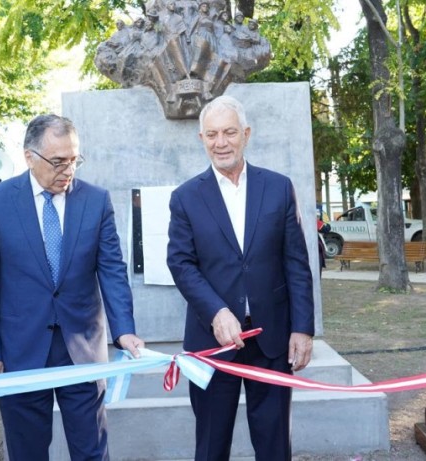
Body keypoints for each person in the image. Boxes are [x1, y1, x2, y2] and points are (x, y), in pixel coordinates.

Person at [0, 114, 145, 460]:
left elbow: (112, 271)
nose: (68, 170)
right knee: (27, 453)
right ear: (29, 156)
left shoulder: (96, 201)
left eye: (74, 160)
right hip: (20, 352)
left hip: (82, 351)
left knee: (91, 451)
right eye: (58, 161)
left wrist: (124, 330)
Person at [166, 95, 314, 461]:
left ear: (246, 134)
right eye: (212, 134)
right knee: (212, 447)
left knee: (275, 446)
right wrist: (217, 312)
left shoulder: (279, 187)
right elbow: (181, 264)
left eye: (229, 132)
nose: (221, 143)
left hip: (273, 342)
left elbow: (297, 263)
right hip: (213, 345)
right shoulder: (185, 198)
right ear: (201, 138)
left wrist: (303, 328)